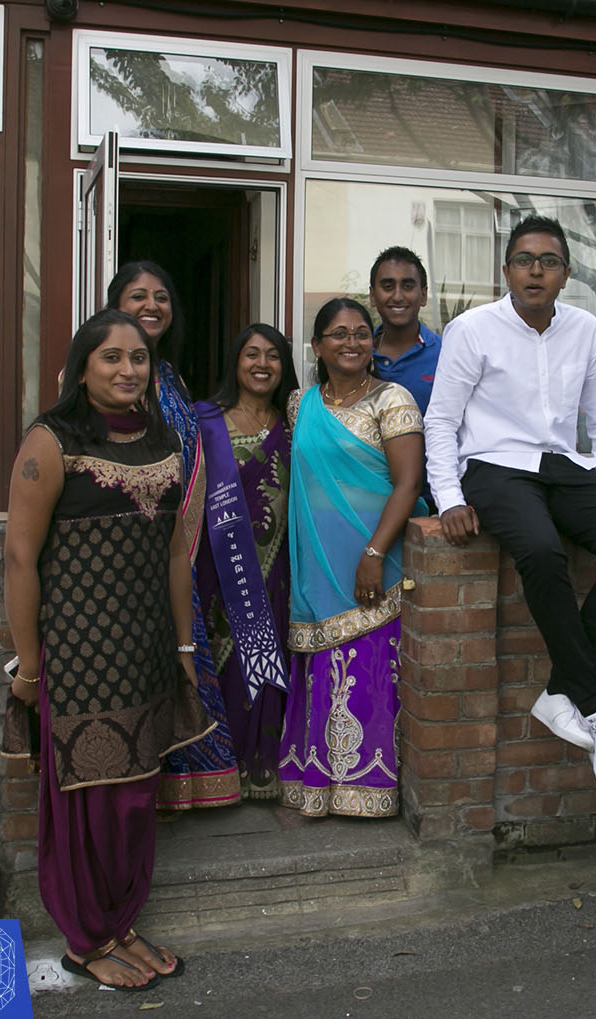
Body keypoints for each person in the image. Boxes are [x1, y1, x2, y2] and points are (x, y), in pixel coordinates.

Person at [1, 308, 213, 990]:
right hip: (79, 656)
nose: (128, 370)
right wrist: (30, 666)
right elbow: (18, 557)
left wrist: (183, 643)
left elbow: (176, 548)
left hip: (146, 650)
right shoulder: (52, 439)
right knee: (88, 801)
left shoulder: (160, 437)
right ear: (82, 367)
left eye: (140, 358)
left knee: (133, 799)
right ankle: (86, 938)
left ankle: (119, 923)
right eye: (111, 358)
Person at [424, 215, 596, 784]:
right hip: (494, 467)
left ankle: (559, 692)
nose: (536, 271)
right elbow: (441, 421)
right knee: (542, 552)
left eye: (548, 261)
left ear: (566, 274)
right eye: (524, 260)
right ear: (506, 270)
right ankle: (593, 707)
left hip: (560, 467)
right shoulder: (472, 329)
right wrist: (449, 496)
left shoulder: (585, 328)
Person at [279, 298, 426, 817]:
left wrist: (374, 551)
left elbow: (408, 483)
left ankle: (370, 787)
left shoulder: (393, 400)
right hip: (317, 562)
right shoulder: (301, 404)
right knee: (324, 664)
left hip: (373, 555)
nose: (351, 342)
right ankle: (320, 783)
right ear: (317, 346)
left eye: (362, 333)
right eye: (338, 334)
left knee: (368, 661)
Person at [105, 262, 237, 810]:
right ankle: (140, 792)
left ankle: (180, 787)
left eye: (161, 296)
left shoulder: (169, 376)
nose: (152, 306)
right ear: (115, 305)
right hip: (132, 550)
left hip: (176, 549)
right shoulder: (107, 374)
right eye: (138, 297)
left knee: (182, 661)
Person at [193, 324, 299, 799]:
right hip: (217, 568)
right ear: (236, 362)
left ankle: (262, 765)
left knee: (265, 656)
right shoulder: (205, 422)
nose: (262, 364)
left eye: (273, 355)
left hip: (276, 571)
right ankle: (217, 767)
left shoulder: (295, 424)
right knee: (220, 662)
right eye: (251, 354)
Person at [369, 246, 441, 416]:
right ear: (372, 296)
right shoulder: (358, 353)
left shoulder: (445, 354)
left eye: (408, 286)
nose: (397, 296)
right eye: (387, 286)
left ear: (423, 296)